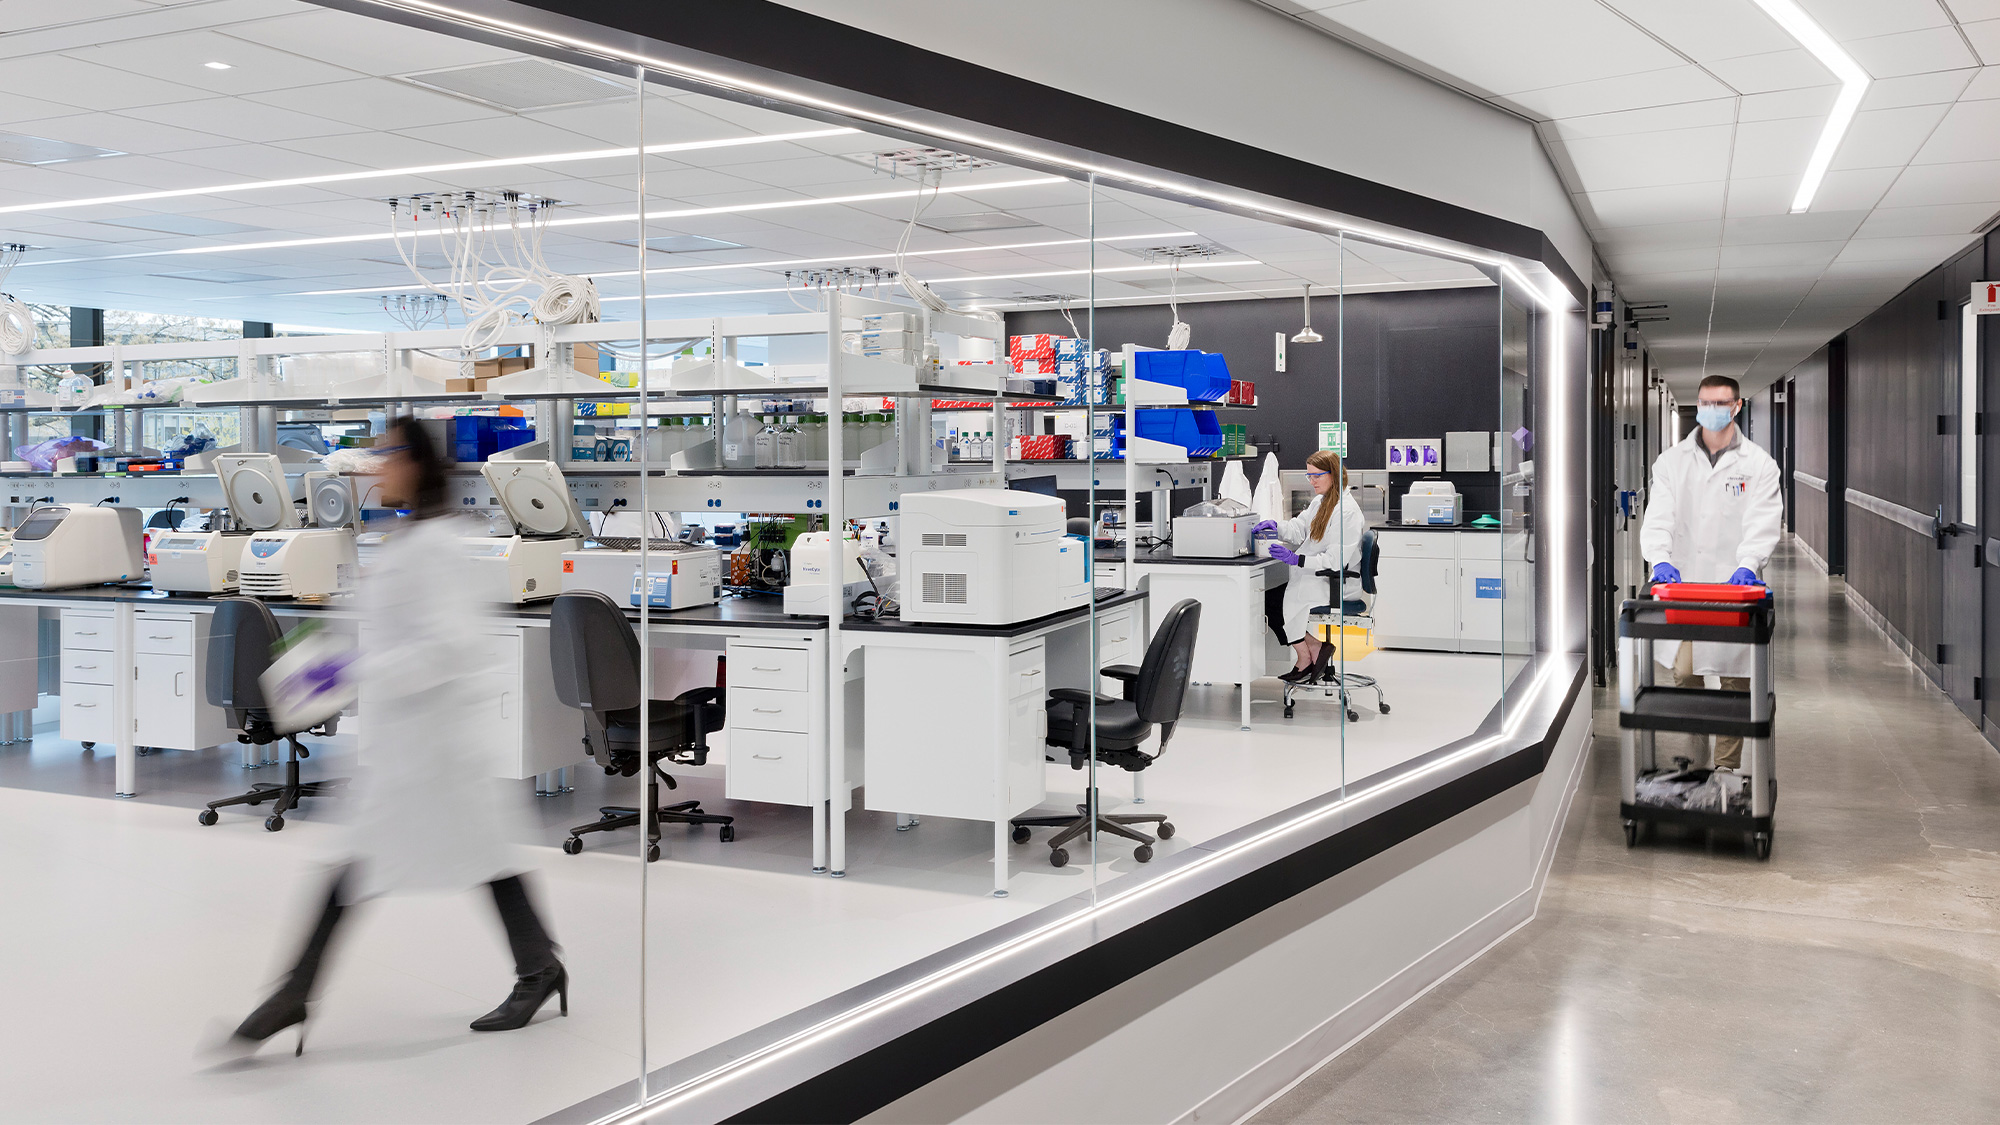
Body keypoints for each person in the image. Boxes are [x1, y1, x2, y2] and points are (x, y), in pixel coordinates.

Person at [229, 417, 565, 1056]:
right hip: (412, 742)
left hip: (433, 743)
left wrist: (355, 670)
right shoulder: (409, 538)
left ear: (413, 464)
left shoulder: (436, 545)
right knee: (473, 854)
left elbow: (451, 645)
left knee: (384, 861)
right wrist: (330, 664)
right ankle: (539, 968)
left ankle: (294, 995)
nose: (376, 470)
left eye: (385, 457)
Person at [1639, 374, 1784, 771]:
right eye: (1706, 403)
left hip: (1734, 588)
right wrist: (1659, 558)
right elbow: (1659, 516)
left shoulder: (1758, 465)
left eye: (1721, 404)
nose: (1712, 411)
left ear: (1736, 406)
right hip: (1685, 586)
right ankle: (1698, 750)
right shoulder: (1671, 462)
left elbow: (1763, 521)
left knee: (1737, 684)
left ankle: (1725, 768)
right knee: (1685, 673)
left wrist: (1748, 564)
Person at [1255, 449, 1368, 685]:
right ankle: (1312, 650)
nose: (1312, 481)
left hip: (1335, 583)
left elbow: (1335, 561)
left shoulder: (1347, 512)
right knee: (1269, 599)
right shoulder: (1321, 502)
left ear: (1334, 475)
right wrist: (1275, 526)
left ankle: (1307, 655)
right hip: (1316, 576)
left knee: (1272, 601)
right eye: (1309, 476)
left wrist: (1297, 560)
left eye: (1317, 475)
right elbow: (1299, 529)